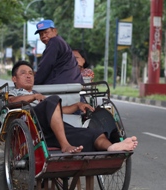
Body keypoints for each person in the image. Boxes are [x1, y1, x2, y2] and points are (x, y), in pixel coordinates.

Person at [9, 60, 138, 153]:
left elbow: (57, 110)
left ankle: (112, 147)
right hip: (31, 127)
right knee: (53, 100)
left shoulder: (37, 94)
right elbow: (12, 101)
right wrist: (32, 97)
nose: (28, 75)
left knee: (94, 133)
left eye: (31, 73)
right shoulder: (13, 92)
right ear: (14, 78)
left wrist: (77, 105)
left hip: (53, 131)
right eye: (23, 73)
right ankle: (65, 145)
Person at [33, 19, 84, 85]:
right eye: (41, 34)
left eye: (46, 32)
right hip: (71, 83)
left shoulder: (54, 42)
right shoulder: (60, 41)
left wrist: (34, 82)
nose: (43, 36)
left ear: (55, 31)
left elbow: (45, 67)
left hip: (62, 86)